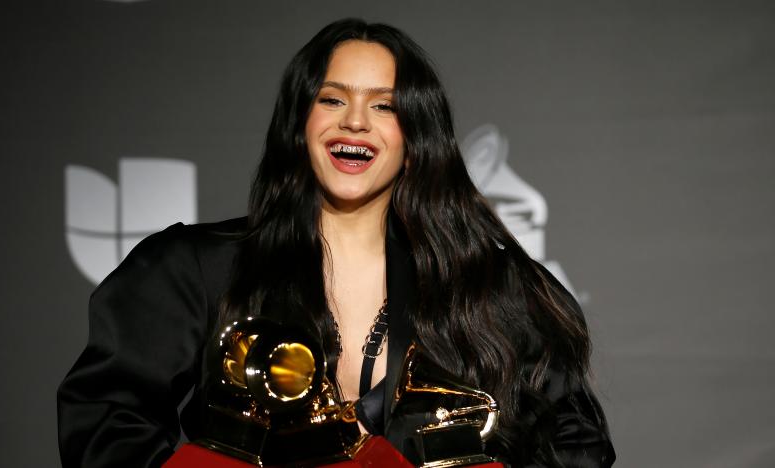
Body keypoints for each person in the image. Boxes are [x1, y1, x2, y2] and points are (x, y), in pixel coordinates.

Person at [58, 18, 615, 467]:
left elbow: (575, 441)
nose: (355, 122)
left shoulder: (490, 285)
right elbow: (105, 419)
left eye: (384, 105)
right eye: (332, 99)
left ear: (415, 137)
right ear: (299, 122)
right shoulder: (194, 268)